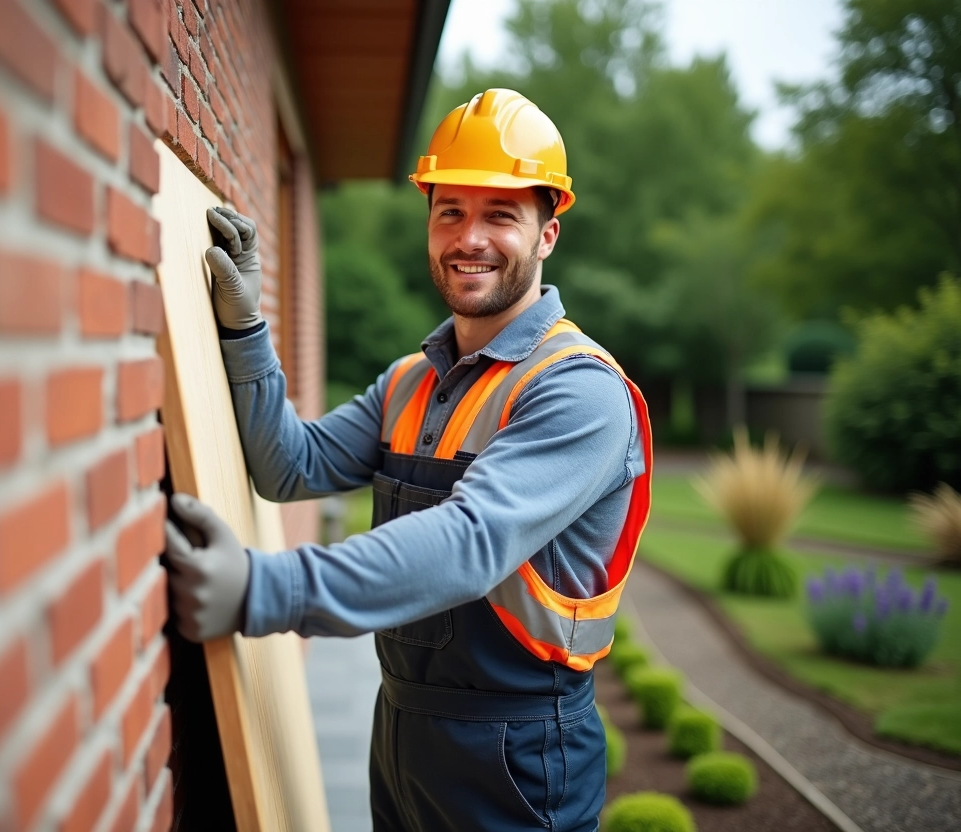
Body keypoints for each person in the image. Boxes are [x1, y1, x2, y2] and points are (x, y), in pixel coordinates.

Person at [164, 89, 652, 832]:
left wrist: (266, 587)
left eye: (501, 215)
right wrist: (245, 330)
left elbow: (470, 542)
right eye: (450, 210)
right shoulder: (411, 380)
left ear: (548, 234)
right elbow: (289, 467)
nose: (470, 238)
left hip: (517, 753)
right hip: (403, 727)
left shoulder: (578, 391)